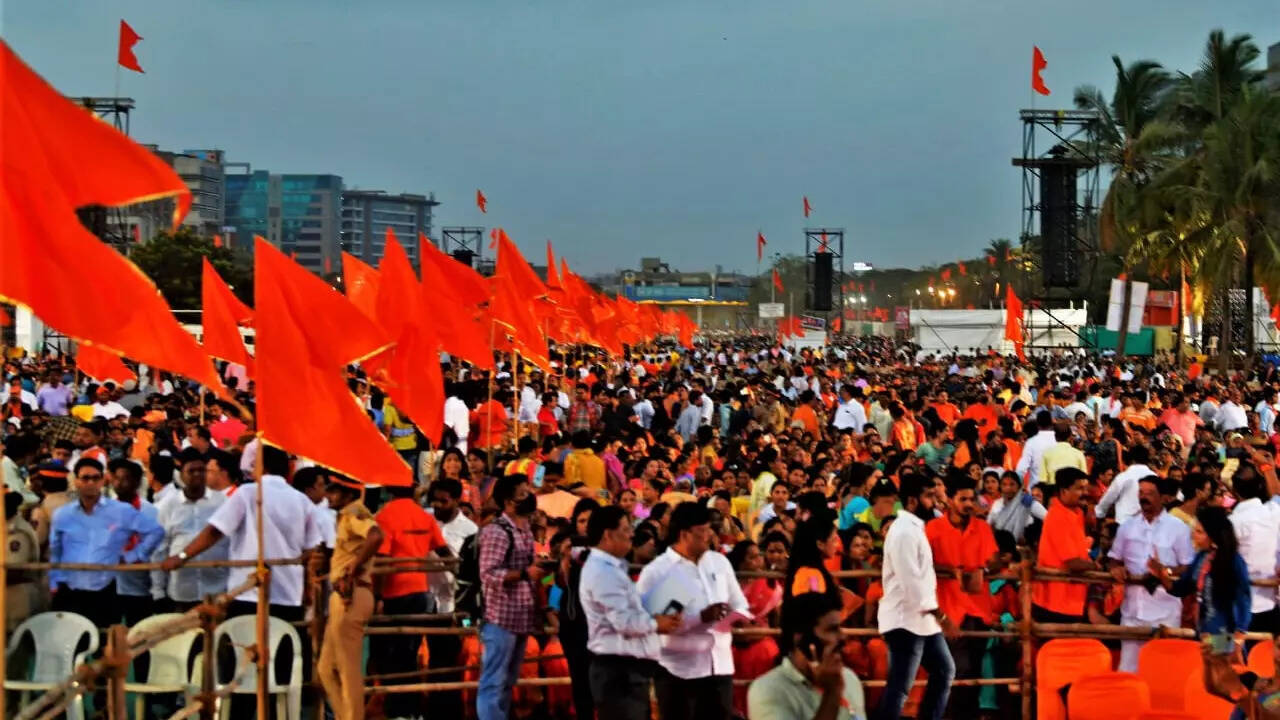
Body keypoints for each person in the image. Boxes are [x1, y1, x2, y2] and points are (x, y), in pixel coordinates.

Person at [636, 501, 750, 720]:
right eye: (702, 531)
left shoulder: (719, 562)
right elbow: (651, 624)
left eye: (710, 529)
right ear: (684, 534)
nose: (709, 535)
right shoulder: (659, 571)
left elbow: (740, 603)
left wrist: (738, 617)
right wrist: (700, 618)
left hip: (719, 667)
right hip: (678, 672)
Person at [579, 504, 682, 720]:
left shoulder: (610, 568)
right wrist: (657, 624)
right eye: (626, 529)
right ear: (608, 535)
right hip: (618, 672)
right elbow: (624, 622)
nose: (631, 535)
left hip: (625, 671)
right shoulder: (603, 572)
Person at [876, 472, 956, 720]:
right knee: (900, 687)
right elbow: (911, 581)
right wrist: (941, 616)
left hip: (922, 620)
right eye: (929, 496)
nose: (935, 501)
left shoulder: (914, 529)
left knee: (944, 671)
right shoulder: (903, 532)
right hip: (905, 620)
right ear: (912, 501)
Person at [50, 458, 163, 628]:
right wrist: (55, 582)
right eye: (85, 478)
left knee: (131, 634)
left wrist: (132, 557)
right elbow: (57, 549)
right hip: (88, 588)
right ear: (76, 481)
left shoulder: (142, 511)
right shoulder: (65, 514)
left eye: (95, 478)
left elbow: (156, 536)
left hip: (130, 586)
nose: (119, 483)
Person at [374, 481, 450, 719]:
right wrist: (457, 574)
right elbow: (444, 551)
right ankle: (411, 710)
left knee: (392, 655)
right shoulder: (424, 517)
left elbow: (382, 559)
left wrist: (377, 596)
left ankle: (399, 710)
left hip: (394, 593)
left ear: (389, 490)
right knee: (410, 652)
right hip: (421, 592)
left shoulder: (385, 516)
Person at [925, 471, 998, 717]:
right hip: (948, 611)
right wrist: (949, 570)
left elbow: (994, 559)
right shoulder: (933, 529)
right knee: (959, 670)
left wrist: (986, 568)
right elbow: (922, 564)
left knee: (973, 671)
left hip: (978, 611)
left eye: (971, 499)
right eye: (963, 499)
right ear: (950, 500)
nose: (968, 504)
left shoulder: (982, 528)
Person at [476, 475, 548, 720]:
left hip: (520, 616)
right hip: (500, 618)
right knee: (493, 682)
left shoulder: (524, 529)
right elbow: (488, 574)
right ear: (508, 502)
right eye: (522, 494)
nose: (529, 497)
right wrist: (525, 573)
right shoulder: (497, 532)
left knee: (507, 681)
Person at [1107, 475, 1194, 672]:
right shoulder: (1127, 527)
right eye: (1141, 493)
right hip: (1132, 612)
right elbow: (1114, 558)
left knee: (1163, 672)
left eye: (1150, 493)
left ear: (1163, 497)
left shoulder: (1178, 528)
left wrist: (1165, 571)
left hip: (1165, 614)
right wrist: (1115, 568)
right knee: (1129, 670)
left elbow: (1188, 566)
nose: (1144, 497)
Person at [317, 474, 383, 720]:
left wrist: (354, 565)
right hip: (345, 595)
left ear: (348, 493)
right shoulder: (346, 515)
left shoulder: (354, 513)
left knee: (347, 670)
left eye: (334, 491)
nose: (329, 495)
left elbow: (376, 536)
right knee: (326, 668)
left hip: (351, 594)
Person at [748, 591, 867, 720]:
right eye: (832, 629)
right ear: (803, 638)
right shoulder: (768, 689)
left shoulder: (849, 678)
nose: (843, 637)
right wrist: (832, 693)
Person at [1150, 505, 1252, 655]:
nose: (1193, 535)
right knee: (1203, 664)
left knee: (1217, 666)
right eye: (1194, 530)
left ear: (1213, 536)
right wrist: (1161, 574)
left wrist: (1238, 638)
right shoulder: (1200, 558)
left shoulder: (1234, 561)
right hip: (1202, 633)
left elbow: (1244, 601)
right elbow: (1181, 588)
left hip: (1225, 636)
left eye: (1199, 532)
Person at [151, 448, 228, 612]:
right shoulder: (168, 505)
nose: (197, 475)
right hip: (182, 591)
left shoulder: (222, 502)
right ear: (181, 475)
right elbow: (159, 549)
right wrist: (158, 590)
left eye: (201, 470)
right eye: (191, 471)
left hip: (218, 589)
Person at [1032, 468, 1096, 623]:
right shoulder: (1057, 516)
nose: (1085, 493)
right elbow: (1073, 562)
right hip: (1054, 603)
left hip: (1071, 601)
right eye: (1080, 488)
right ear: (1063, 491)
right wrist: (1096, 566)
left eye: (1085, 488)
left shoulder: (1077, 513)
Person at [1226, 464, 1280, 635]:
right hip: (1269, 605)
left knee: (1221, 648)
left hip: (1237, 608)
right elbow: (1277, 495)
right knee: (1264, 651)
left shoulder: (1232, 522)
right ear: (1260, 486)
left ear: (1234, 491)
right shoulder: (1274, 512)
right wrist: (1267, 467)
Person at [108, 457, 158, 625]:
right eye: (116, 478)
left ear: (136, 482)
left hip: (139, 585)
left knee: (138, 630)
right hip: (110, 584)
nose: (119, 483)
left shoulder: (149, 511)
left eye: (125, 479)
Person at [1096, 443, 1153, 522]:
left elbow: (1108, 498)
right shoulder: (1155, 478)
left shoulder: (1124, 477)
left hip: (1124, 523)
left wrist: (1099, 514)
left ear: (1131, 460)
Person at [1015, 411, 1056, 488]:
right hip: (1056, 489)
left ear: (1038, 424)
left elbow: (1021, 469)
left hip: (1036, 489)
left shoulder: (1031, 442)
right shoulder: (1058, 440)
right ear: (1051, 422)